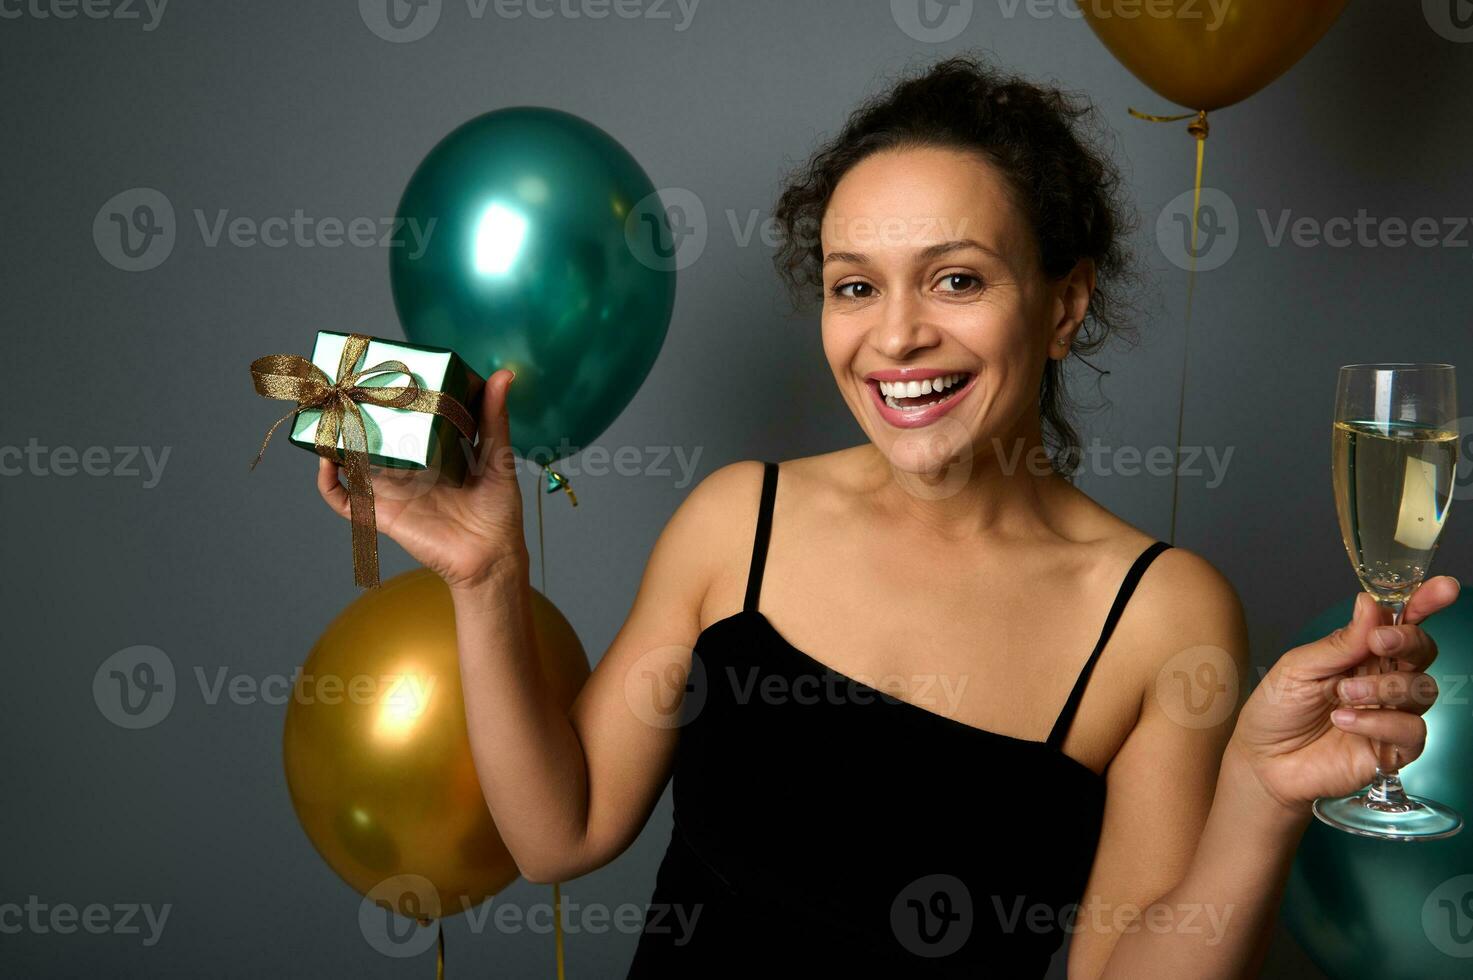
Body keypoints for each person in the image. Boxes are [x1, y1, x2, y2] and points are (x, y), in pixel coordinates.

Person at [315, 55, 1457, 978]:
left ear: (1064, 303)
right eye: (854, 284)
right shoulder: (736, 523)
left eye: (956, 279)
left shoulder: (1161, 614)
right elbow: (558, 830)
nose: (895, 336)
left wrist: (1257, 799)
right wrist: (486, 576)